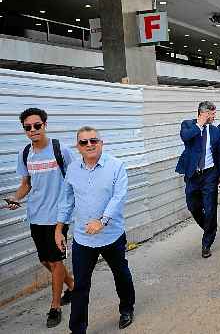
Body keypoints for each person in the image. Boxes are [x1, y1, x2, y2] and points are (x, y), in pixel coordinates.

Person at [55, 126, 135, 333]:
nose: (89, 145)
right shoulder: (72, 169)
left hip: (112, 235)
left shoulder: (116, 166)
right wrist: (59, 228)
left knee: (121, 274)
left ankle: (127, 308)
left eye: (93, 140)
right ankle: (78, 328)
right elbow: (66, 201)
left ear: (101, 143)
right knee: (81, 286)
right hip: (83, 239)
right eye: (84, 142)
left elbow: (119, 197)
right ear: (78, 147)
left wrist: (102, 220)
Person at [6, 108, 74, 328]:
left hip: (58, 218)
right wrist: (16, 198)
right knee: (45, 260)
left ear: (45, 125)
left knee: (56, 262)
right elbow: (26, 185)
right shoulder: (25, 154)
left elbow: (75, 179)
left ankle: (55, 306)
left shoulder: (59, 149)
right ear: (24, 130)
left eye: (37, 125)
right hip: (36, 215)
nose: (33, 130)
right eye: (28, 127)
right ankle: (73, 285)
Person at [175, 101, 220, 258]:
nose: (213, 116)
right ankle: (210, 228)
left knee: (210, 208)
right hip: (193, 175)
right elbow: (185, 137)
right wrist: (200, 125)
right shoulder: (188, 125)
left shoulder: (215, 131)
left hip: (210, 174)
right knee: (193, 206)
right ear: (203, 113)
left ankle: (206, 243)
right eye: (211, 114)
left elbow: (219, 153)